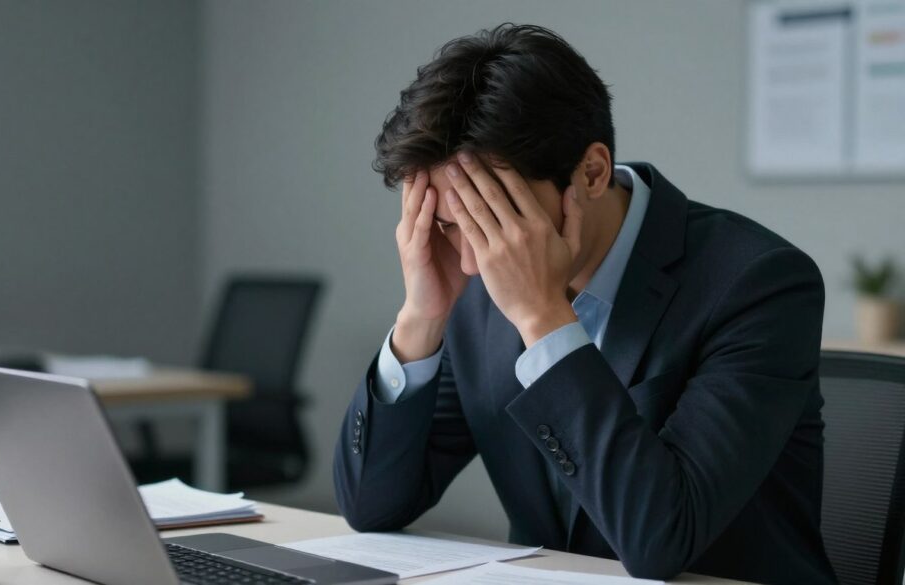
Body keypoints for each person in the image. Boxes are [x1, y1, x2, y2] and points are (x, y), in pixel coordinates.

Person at [332, 23, 836, 584]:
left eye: (494, 218)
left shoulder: (758, 283)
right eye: (452, 226)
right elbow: (371, 507)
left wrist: (544, 320)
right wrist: (420, 319)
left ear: (591, 173)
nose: (474, 262)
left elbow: (661, 539)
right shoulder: (475, 298)